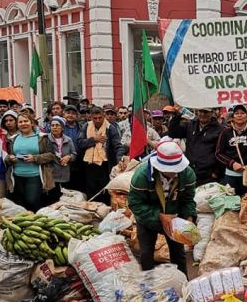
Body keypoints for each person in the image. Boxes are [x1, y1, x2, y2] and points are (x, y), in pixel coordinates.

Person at [128, 141, 196, 275]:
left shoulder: (188, 174)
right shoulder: (141, 175)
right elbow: (135, 203)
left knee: (178, 254)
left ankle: (182, 283)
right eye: (170, 170)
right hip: (148, 219)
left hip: (174, 218)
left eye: (177, 169)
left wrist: (189, 218)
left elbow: (188, 200)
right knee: (146, 253)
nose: (174, 172)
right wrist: (159, 216)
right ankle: (149, 286)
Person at [5, 114, 55, 211]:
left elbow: (51, 155)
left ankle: (37, 221)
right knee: (21, 204)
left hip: (35, 176)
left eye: (26, 121)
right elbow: (7, 156)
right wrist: (10, 158)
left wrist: (35, 158)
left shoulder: (42, 138)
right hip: (16, 177)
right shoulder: (13, 139)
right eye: (20, 122)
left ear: (31, 123)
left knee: (31, 201)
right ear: (17, 124)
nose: (23, 124)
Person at [168, 106, 225, 186]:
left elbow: (222, 152)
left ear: (212, 113)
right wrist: (177, 115)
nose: (202, 114)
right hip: (190, 171)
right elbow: (173, 133)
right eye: (200, 111)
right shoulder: (191, 125)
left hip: (208, 175)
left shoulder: (220, 129)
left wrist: (216, 173)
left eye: (206, 112)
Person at [77, 107, 125, 202]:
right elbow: (79, 142)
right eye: (95, 118)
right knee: (91, 192)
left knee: (105, 191)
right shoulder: (86, 126)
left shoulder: (110, 128)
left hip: (105, 165)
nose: (98, 120)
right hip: (89, 164)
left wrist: (120, 159)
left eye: (100, 118)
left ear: (104, 116)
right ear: (91, 117)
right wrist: (94, 140)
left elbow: (118, 146)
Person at [215, 104, 247, 196]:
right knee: (231, 202)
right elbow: (218, 153)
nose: (239, 115)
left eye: (242, 113)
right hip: (231, 175)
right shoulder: (225, 132)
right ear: (232, 117)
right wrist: (232, 163)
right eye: (236, 113)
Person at [47, 116, 77, 203]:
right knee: (51, 200)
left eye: (57, 125)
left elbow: (74, 154)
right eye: (52, 125)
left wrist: (69, 157)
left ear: (62, 127)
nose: (54, 127)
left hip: (65, 174)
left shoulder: (68, 140)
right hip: (51, 175)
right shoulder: (46, 139)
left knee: (64, 200)